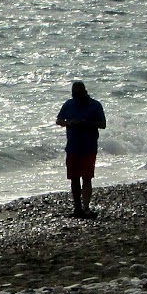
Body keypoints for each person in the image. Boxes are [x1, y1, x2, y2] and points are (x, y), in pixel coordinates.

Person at [56, 81, 106, 218]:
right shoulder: (68, 104)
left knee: (87, 178)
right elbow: (59, 120)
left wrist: (87, 124)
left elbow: (103, 124)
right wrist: (69, 123)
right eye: (74, 94)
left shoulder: (95, 105)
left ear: (85, 91)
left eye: (78, 94)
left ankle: (86, 208)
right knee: (74, 178)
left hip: (89, 146)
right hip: (72, 147)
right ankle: (77, 208)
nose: (76, 97)